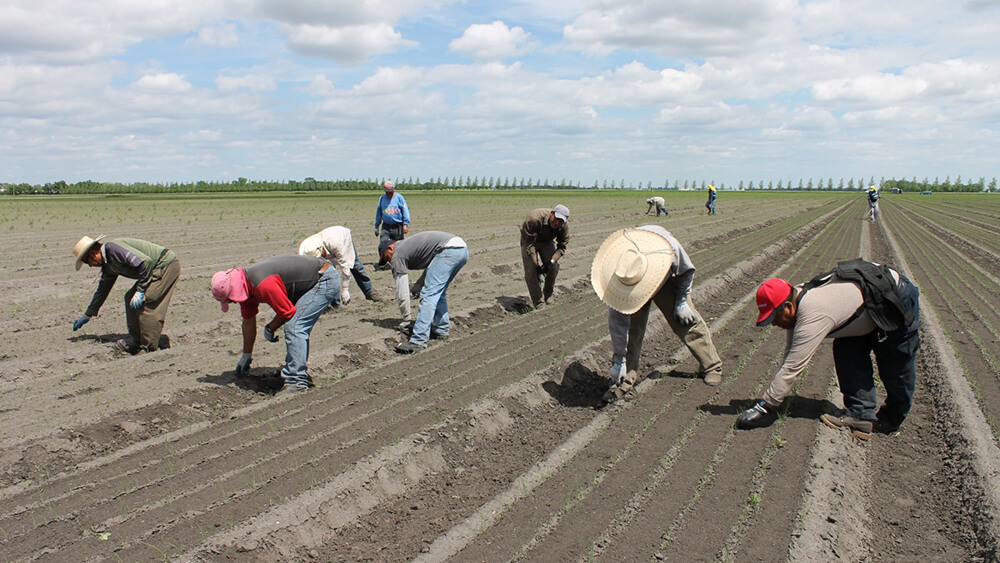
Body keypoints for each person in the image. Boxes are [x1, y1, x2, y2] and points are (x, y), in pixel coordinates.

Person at [736, 261, 921, 440]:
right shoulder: (795, 300)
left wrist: (764, 406)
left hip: (893, 297)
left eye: (774, 318)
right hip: (864, 302)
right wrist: (773, 398)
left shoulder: (813, 312)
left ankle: (891, 419)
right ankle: (860, 416)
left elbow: (794, 366)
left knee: (895, 363)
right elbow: (791, 352)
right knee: (847, 351)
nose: (774, 324)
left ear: (788, 307)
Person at [591, 226, 723, 403]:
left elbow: (687, 271)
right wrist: (619, 361)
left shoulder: (668, 248)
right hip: (632, 289)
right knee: (632, 330)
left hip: (664, 277)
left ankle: (711, 365)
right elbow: (619, 327)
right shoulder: (620, 279)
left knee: (685, 320)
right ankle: (625, 380)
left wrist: (682, 301)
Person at [211, 255, 340, 394]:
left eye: (230, 300)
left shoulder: (263, 284)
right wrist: (246, 355)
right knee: (293, 325)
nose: (233, 302)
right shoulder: (245, 286)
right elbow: (248, 322)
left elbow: (287, 312)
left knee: (295, 326)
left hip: (324, 279)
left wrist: (270, 328)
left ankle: (297, 381)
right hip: (310, 282)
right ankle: (294, 373)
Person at [71, 235, 180, 354]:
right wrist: (88, 313)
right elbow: (103, 289)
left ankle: (148, 348)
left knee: (147, 301)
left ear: (92, 254)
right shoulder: (108, 265)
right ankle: (137, 342)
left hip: (164, 265)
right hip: (152, 270)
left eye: (88, 262)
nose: (91, 266)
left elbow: (145, 262)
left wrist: (140, 290)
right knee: (129, 298)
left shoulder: (113, 249)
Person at [378, 231, 469, 354]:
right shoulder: (407, 247)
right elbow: (434, 265)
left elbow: (402, 292)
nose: (389, 262)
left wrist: (406, 320)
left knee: (428, 295)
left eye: (386, 257)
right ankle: (441, 330)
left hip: (447, 250)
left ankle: (418, 340)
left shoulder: (397, 254)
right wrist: (417, 286)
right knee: (438, 292)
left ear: (390, 248)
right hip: (460, 250)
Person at [298, 226, 380, 304]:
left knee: (355, 266)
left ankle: (369, 293)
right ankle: (335, 303)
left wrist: (345, 289)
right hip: (329, 244)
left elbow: (345, 265)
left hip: (343, 238)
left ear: (321, 249)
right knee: (330, 273)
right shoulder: (307, 248)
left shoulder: (336, 244)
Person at [519, 205, 570, 309]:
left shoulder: (564, 227)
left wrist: (551, 262)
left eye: (561, 221)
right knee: (531, 271)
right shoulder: (534, 219)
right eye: (556, 219)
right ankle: (538, 302)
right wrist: (536, 264)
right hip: (529, 241)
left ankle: (548, 295)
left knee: (553, 267)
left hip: (547, 241)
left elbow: (561, 247)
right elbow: (529, 245)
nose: (557, 223)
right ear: (552, 214)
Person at [374, 180, 410, 250]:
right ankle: (384, 260)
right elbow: (379, 213)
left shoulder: (399, 198)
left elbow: (405, 211)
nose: (388, 194)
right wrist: (376, 226)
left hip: (397, 226)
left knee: (398, 246)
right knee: (383, 245)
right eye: (387, 192)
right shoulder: (382, 199)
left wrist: (405, 225)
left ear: (394, 189)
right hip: (386, 227)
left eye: (390, 192)